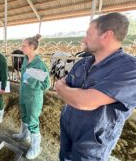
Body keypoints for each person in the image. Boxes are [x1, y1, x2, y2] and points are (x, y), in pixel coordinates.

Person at [55, 12, 136, 161]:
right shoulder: (82, 63)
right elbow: (63, 83)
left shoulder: (130, 69)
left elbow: (83, 102)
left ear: (106, 35)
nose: (83, 39)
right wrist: (68, 91)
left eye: (88, 34)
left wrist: (62, 89)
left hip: (92, 145)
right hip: (67, 131)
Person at [12, 34, 51, 160]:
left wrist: (32, 81)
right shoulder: (25, 59)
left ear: (32, 47)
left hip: (33, 98)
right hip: (24, 94)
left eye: (24, 46)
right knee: (24, 116)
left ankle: (36, 148)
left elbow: (46, 85)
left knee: (33, 122)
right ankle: (24, 135)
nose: (21, 48)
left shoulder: (40, 64)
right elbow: (25, 76)